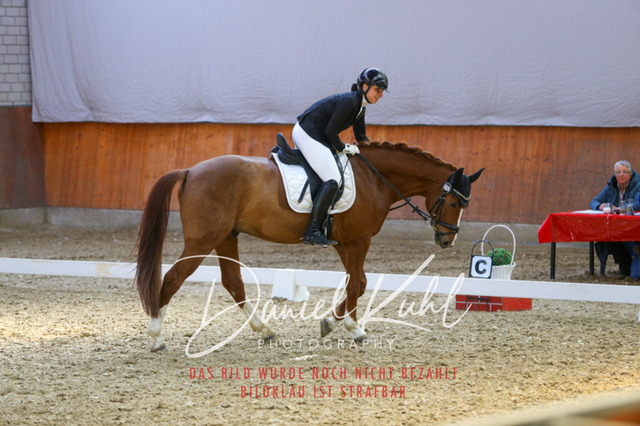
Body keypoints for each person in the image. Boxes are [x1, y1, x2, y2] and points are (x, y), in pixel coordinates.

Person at [293, 68, 389, 246]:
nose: (380, 95)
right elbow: (330, 131)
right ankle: (312, 231)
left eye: (382, 91)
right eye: (378, 90)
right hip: (307, 133)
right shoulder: (349, 102)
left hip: (318, 135)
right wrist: (343, 147)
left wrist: (374, 157)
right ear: (365, 87)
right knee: (333, 179)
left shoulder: (360, 106)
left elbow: (361, 136)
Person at [589, 160, 640, 276]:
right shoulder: (611, 185)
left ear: (631, 173)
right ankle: (624, 266)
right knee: (609, 237)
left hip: (634, 226)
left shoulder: (638, 185)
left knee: (635, 275)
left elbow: (638, 204)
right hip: (617, 227)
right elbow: (594, 201)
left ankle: (632, 265)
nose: (621, 175)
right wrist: (600, 206)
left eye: (625, 172)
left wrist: (619, 208)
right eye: (618, 172)